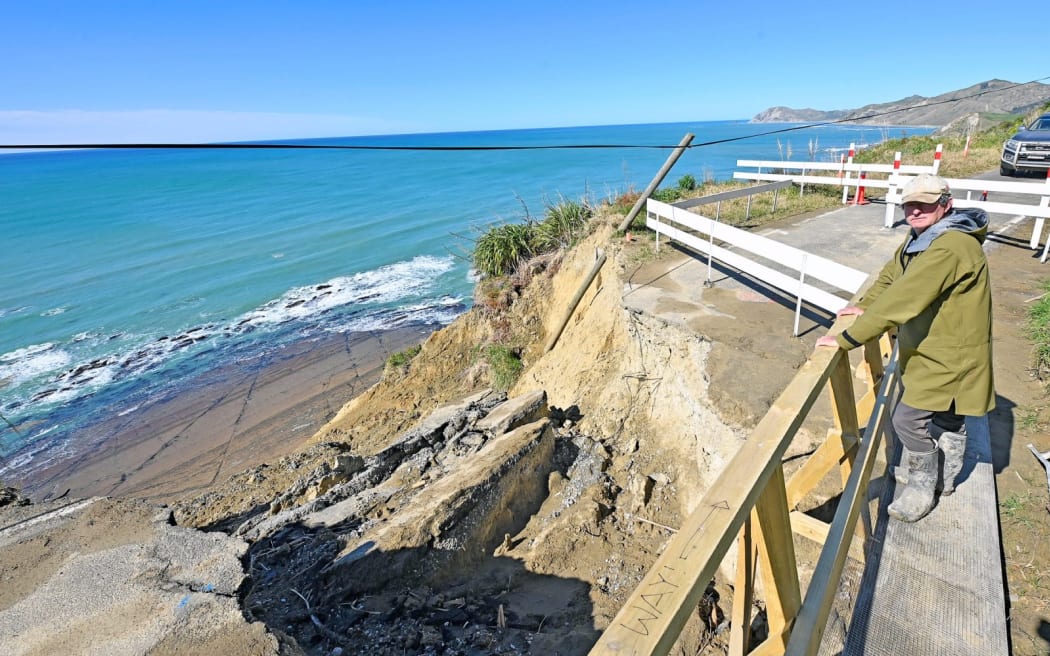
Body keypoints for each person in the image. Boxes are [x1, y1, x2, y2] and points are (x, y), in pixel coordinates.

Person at [816, 173, 994, 522]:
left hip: (950, 351)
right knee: (948, 415)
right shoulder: (922, 237)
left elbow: (905, 297)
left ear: (946, 204)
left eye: (924, 203)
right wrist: (865, 304)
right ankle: (949, 477)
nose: (915, 211)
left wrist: (849, 338)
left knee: (907, 419)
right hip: (938, 344)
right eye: (909, 204)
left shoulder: (951, 245)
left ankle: (922, 487)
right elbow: (890, 277)